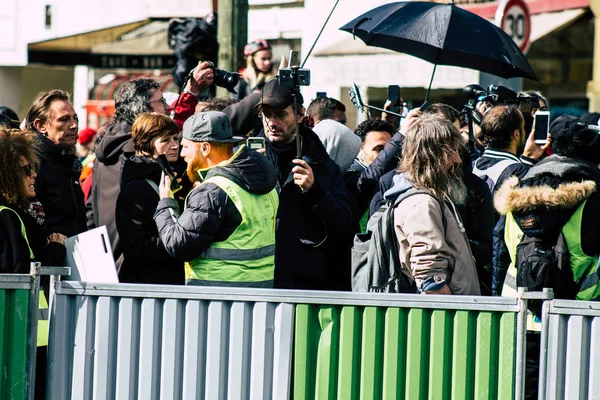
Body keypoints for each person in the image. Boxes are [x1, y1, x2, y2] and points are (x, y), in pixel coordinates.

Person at [493, 115, 600, 399]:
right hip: (580, 317)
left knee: (525, 389)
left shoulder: (516, 194)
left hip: (522, 316)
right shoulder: (594, 199)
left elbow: (502, 252)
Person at [88, 66, 213, 269]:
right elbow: (139, 240)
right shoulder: (135, 163)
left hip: (110, 262)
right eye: (161, 102)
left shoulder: (108, 148)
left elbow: (90, 209)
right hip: (137, 270)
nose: (167, 107)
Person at [154, 111, 279, 287]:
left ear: (205, 148)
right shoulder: (268, 184)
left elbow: (179, 245)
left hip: (217, 301)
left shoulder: (212, 191)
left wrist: (166, 203)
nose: (182, 153)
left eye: (186, 147)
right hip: (260, 296)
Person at [255, 79, 353, 290]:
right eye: (267, 115)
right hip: (256, 276)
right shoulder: (247, 157)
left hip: (304, 283)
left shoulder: (323, 164)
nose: (272, 122)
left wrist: (315, 191)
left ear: (300, 116)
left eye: (281, 115)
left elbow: (344, 226)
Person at [0, 128, 65, 400]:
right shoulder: (7, 217)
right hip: (21, 336)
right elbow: (20, 276)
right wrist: (56, 251)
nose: (34, 175)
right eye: (26, 170)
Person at [389, 114, 480, 295]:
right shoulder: (422, 204)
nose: (458, 160)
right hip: (450, 317)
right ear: (433, 156)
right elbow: (430, 276)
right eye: (452, 152)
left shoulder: (428, 198)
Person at [116, 113, 184, 285]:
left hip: (171, 280)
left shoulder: (172, 176)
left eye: (175, 138)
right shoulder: (136, 188)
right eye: (165, 140)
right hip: (147, 286)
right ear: (147, 144)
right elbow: (135, 246)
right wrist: (182, 240)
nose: (174, 145)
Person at [24, 89, 87, 237]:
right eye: (64, 119)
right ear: (41, 126)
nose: (73, 125)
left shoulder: (65, 159)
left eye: (75, 118)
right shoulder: (32, 163)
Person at [472, 105, 549, 195]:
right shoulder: (517, 171)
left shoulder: (472, 164)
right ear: (516, 134)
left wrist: (527, 158)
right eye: (523, 127)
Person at [344, 118, 394, 232]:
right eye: (379, 149)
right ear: (359, 150)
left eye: (390, 149)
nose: (387, 155)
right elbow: (369, 179)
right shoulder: (352, 177)